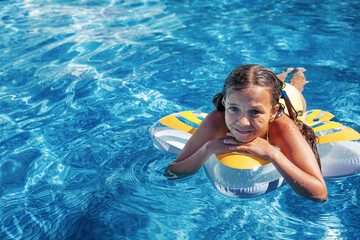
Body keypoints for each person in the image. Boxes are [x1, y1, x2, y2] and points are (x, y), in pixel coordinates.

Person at [165, 64, 327, 203]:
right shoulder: (216, 120)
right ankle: (283, 74)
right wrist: (208, 148)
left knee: (295, 87)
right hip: (265, 96)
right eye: (234, 109)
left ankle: (298, 72)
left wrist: (272, 153)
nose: (243, 122)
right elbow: (172, 172)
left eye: (255, 112)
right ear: (225, 103)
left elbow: (320, 194)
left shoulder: (282, 126)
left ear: (273, 112)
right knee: (275, 83)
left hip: (292, 100)